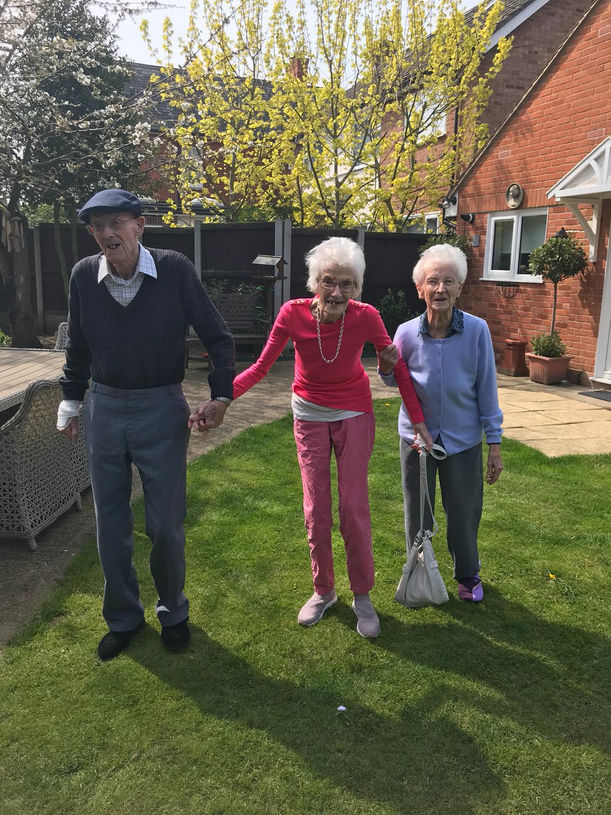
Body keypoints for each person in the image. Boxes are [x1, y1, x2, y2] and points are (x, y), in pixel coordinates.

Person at [191, 236, 431, 638]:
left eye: (347, 284)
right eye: (328, 281)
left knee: (353, 507)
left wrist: (419, 421)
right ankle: (324, 590)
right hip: (308, 414)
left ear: (357, 288)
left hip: (355, 412)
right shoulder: (292, 314)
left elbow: (397, 368)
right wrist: (221, 399)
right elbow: (261, 367)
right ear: (313, 283)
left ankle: (363, 595)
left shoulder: (367, 316)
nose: (337, 292)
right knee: (315, 508)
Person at [57, 189, 235, 661]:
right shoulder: (83, 277)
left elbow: (218, 337)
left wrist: (220, 397)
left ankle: (173, 611)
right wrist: (70, 404)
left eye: (117, 222)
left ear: (140, 225)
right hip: (105, 409)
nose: (107, 233)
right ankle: (123, 617)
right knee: (110, 521)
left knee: (165, 525)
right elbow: (77, 348)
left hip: (161, 408)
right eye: (98, 226)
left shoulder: (173, 269)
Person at [378, 243, 503, 602]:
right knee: (417, 511)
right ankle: (418, 571)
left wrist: (493, 444)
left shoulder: (477, 331)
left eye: (449, 281)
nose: (440, 289)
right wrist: (384, 368)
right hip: (416, 440)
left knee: (463, 511)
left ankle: (466, 574)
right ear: (420, 289)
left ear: (460, 288)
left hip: (463, 441)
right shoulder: (405, 333)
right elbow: (393, 378)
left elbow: (487, 389)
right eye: (432, 282)